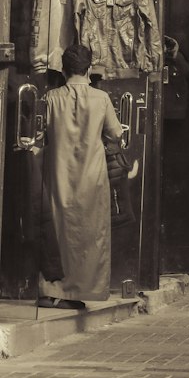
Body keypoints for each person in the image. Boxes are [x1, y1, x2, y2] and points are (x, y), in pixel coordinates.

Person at [38, 43, 125, 309]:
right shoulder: (101, 99)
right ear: (88, 69)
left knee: (58, 231)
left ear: (63, 70)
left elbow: (41, 136)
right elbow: (115, 134)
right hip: (92, 177)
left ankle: (53, 290)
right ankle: (83, 290)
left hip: (59, 175)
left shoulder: (51, 98)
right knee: (90, 233)